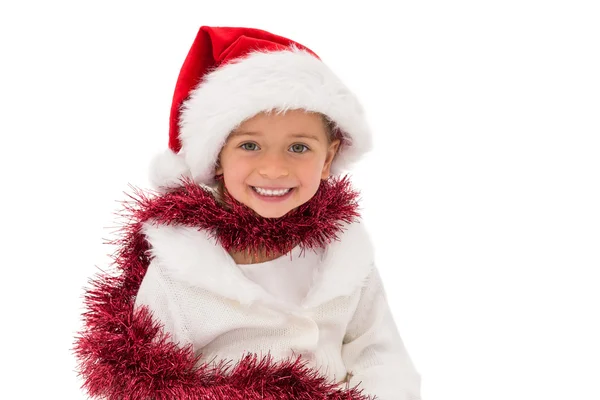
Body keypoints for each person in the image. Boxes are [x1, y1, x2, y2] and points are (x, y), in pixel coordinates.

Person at [74, 26, 422, 400]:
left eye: (299, 148)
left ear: (329, 157)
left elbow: (378, 352)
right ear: (217, 156)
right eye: (250, 145)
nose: (274, 169)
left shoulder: (345, 252)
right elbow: (146, 385)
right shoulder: (181, 268)